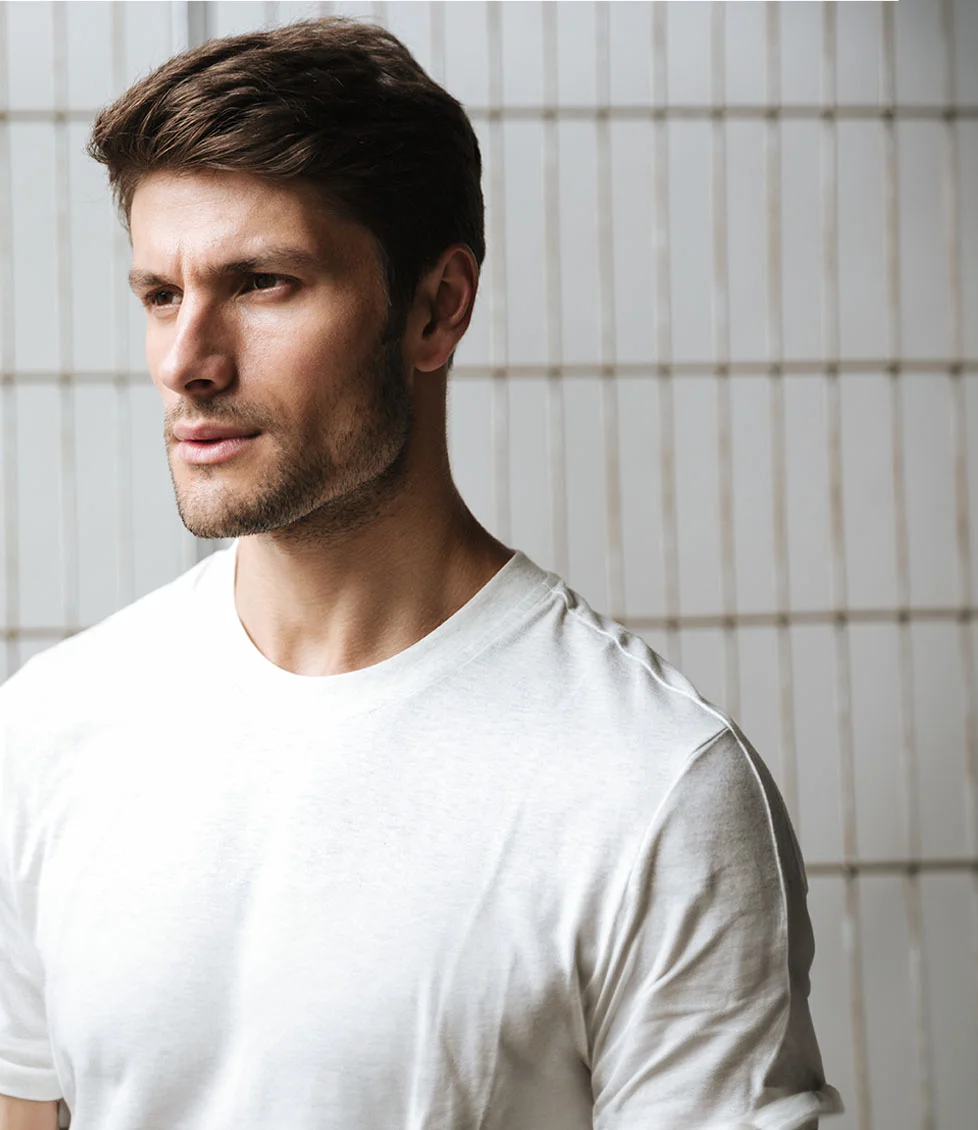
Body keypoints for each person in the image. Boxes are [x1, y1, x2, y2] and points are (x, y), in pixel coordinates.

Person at [0, 17, 843, 1130]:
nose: (185, 361)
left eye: (260, 283)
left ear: (436, 307)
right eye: (160, 293)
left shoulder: (649, 788)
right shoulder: (51, 731)